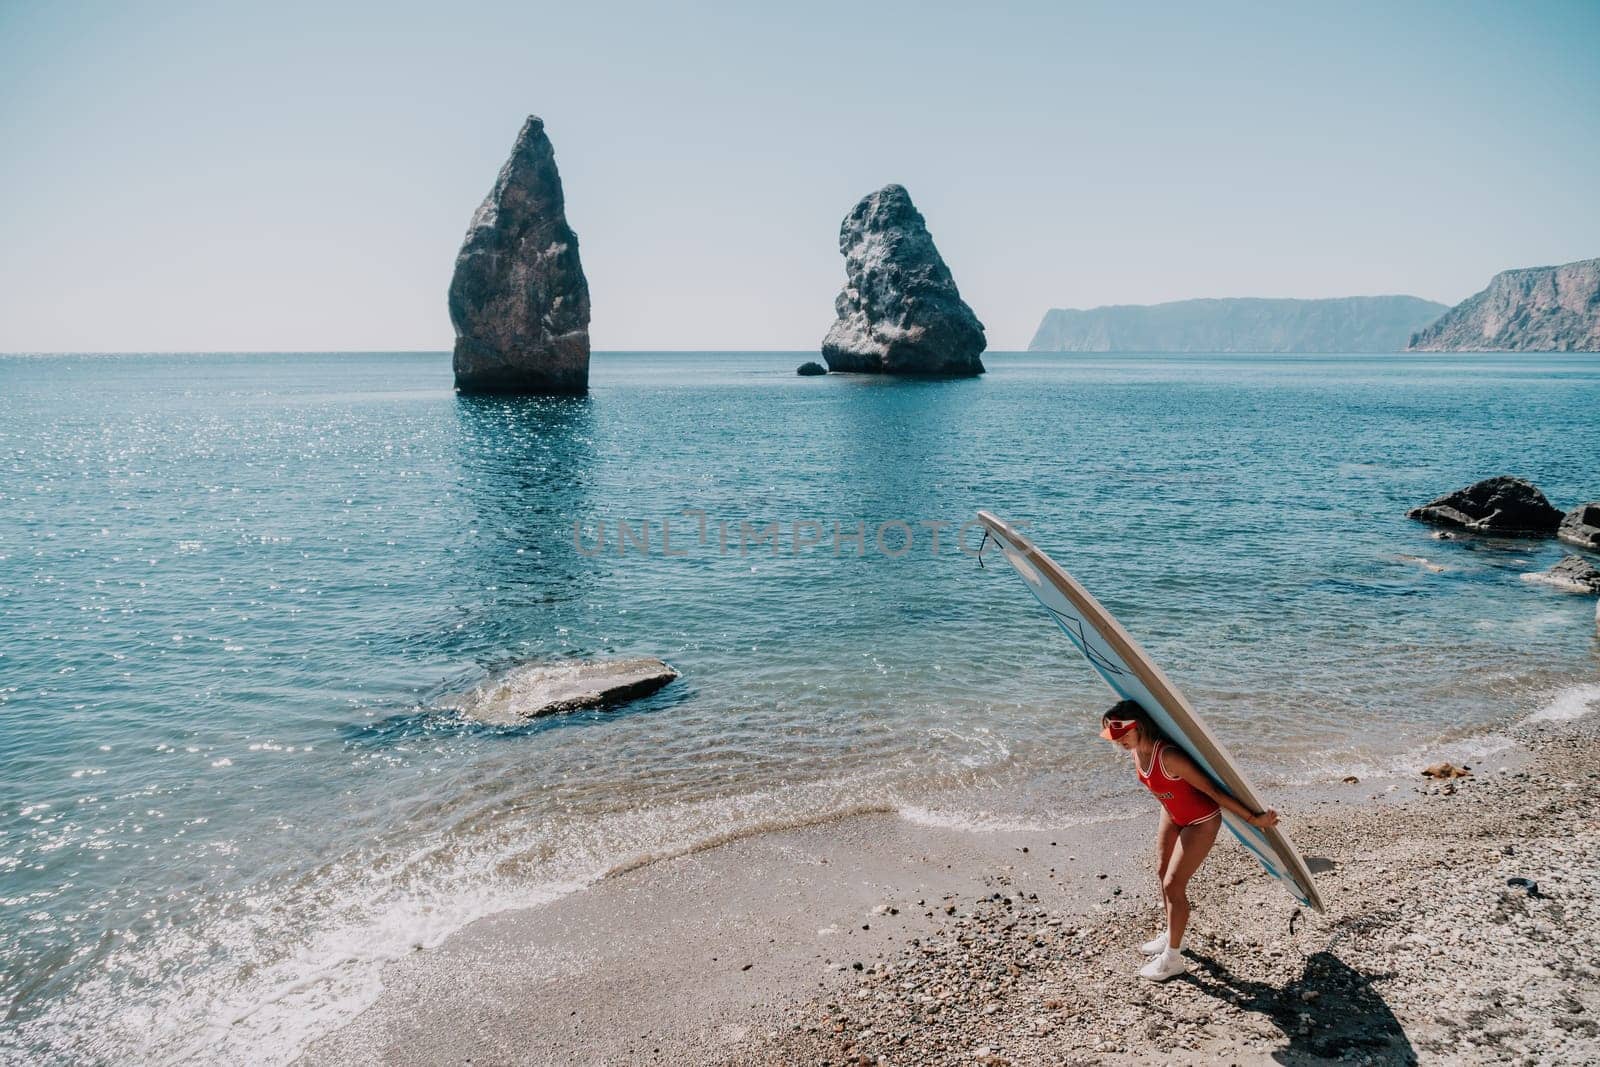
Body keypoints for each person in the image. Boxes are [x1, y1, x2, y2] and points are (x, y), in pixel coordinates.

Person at [1099, 698, 1279, 981]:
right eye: (1114, 736)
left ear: (1140, 727)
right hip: (1171, 813)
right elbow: (1166, 791)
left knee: (1173, 884)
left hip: (1200, 822)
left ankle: (1172, 959)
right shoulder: (1136, 751)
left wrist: (1253, 819)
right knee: (1162, 872)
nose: (1119, 741)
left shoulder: (1168, 756)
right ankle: (1174, 934)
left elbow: (1212, 791)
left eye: (1123, 734)